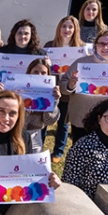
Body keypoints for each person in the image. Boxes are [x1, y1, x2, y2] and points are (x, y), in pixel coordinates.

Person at [44, 16, 85, 162]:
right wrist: (46, 63)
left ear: (75, 30)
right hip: (50, 89)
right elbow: (42, 69)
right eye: (64, 26)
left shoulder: (81, 48)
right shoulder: (50, 45)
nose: (67, 30)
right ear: (59, 29)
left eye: (70, 27)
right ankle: (40, 147)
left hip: (69, 92)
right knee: (45, 120)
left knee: (63, 123)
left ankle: (58, 152)